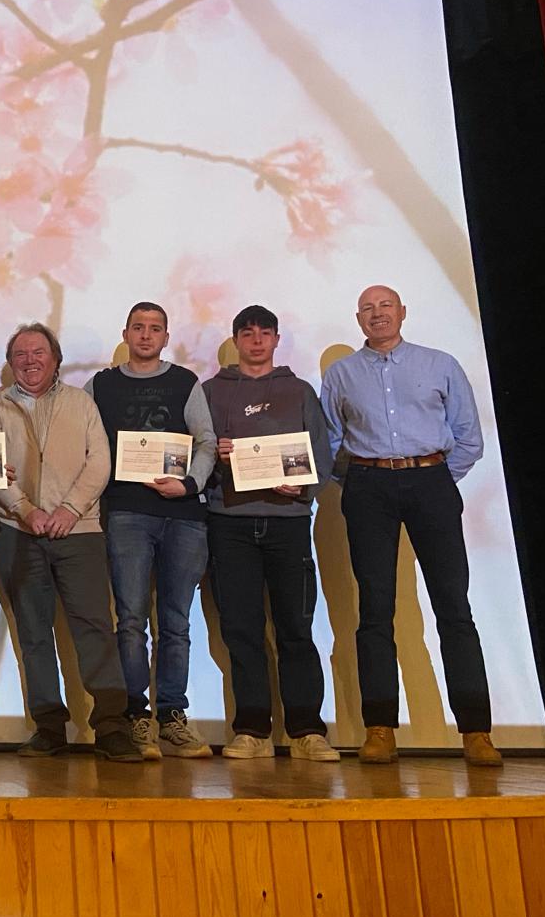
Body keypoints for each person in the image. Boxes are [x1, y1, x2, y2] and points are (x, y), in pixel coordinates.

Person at [321, 285, 501, 766]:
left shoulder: (439, 363)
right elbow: (330, 443)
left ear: (403, 312)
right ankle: (380, 728)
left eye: (385, 307)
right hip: (368, 488)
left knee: (453, 606)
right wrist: (361, 478)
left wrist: (434, 477)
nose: (377, 315)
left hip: (432, 485)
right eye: (367, 309)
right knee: (375, 609)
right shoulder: (340, 375)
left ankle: (477, 732)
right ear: (357, 319)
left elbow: (468, 436)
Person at [0, 324, 141, 762]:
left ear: (56, 359)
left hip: (79, 531)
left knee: (94, 627)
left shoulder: (81, 403)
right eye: (20, 355)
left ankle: (111, 725)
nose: (29, 361)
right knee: (32, 632)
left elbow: (100, 462)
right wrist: (26, 511)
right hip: (18, 532)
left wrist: (68, 510)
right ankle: (49, 726)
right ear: (11, 363)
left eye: (38, 353)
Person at [201, 305, 340, 762]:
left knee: (296, 627)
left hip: (289, 522)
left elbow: (321, 453)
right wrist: (214, 453)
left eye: (265, 333)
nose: (256, 340)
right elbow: (196, 456)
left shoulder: (299, 390)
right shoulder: (211, 392)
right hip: (229, 521)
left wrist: (303, 487)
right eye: (247, 333)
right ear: (236, 339)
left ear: (277, 339)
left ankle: (307, 731)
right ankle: (252, 730)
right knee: (240, 629)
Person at [85, 302, 217, 759]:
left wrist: (190, 483)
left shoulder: (185, 382)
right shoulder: (101, 384)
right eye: (138, 328)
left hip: (184, 515)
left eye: (154, 329)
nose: (145, 335)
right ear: (125, 333)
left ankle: (172, 716)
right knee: (131, 622)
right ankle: (136, 717)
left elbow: (206, 441)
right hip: (125, 513)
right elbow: (86, 442)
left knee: (176, 623)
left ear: (166, 336)